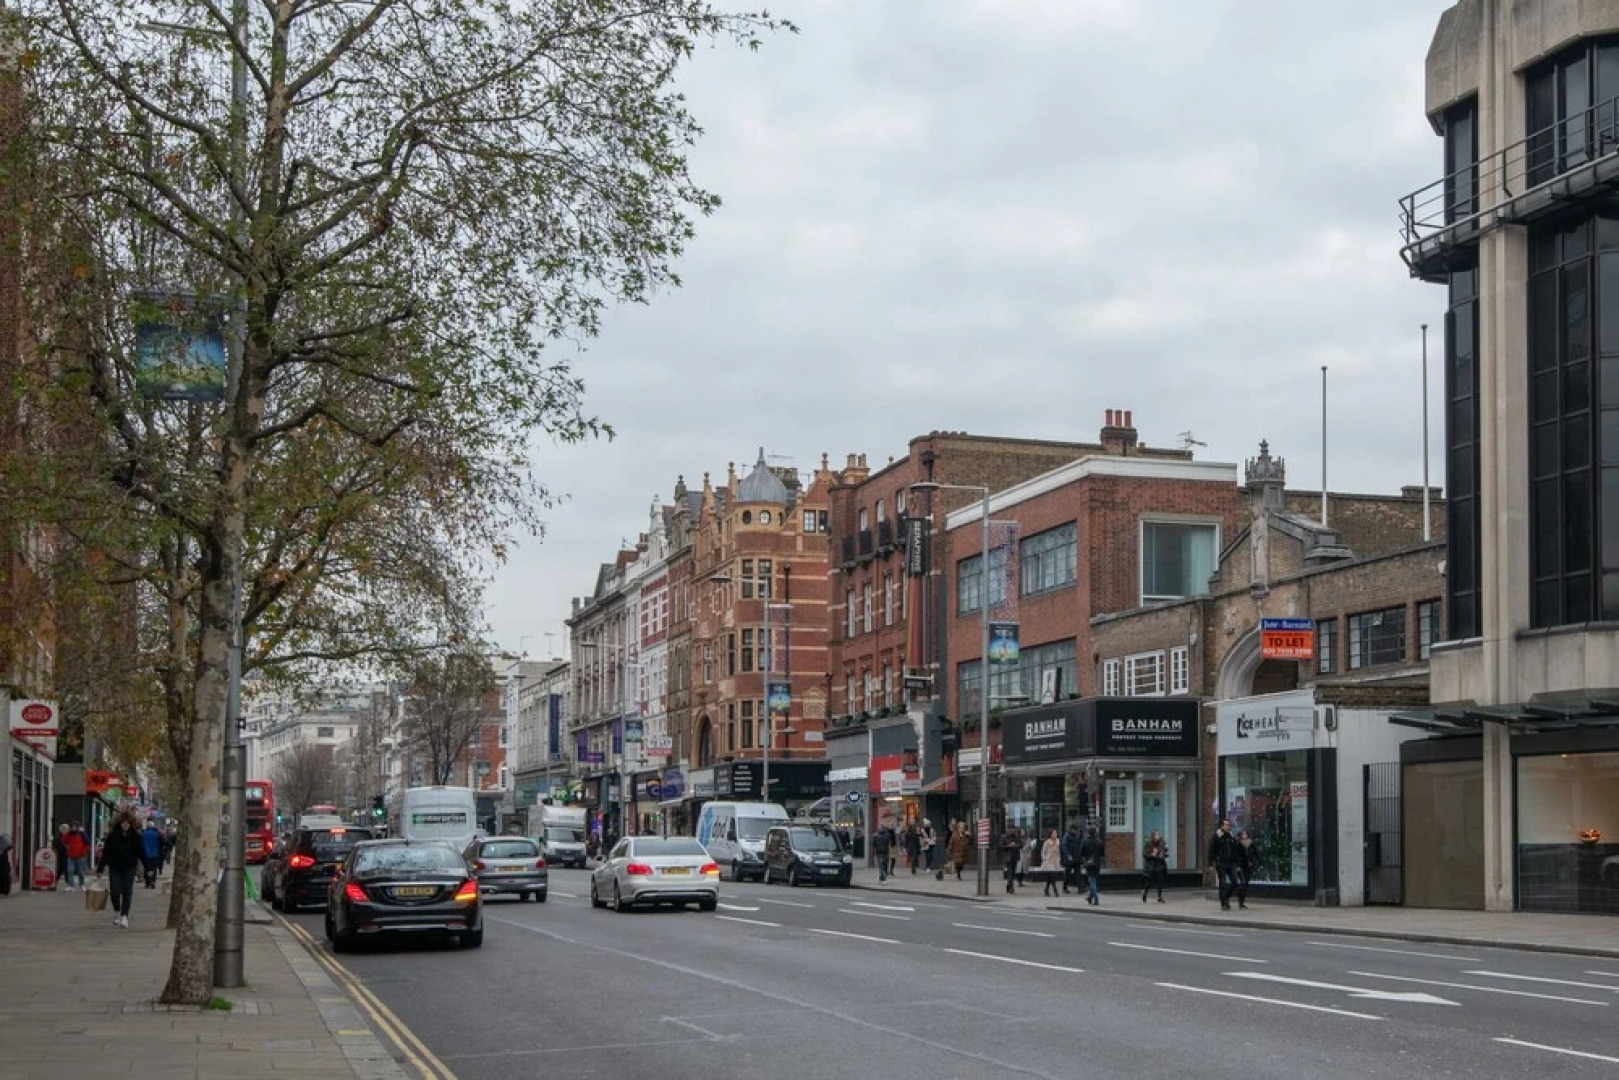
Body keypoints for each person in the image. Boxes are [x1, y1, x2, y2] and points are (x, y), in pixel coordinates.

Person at [97, 812, 143, 928]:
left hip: (129, 867)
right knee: (115, 891)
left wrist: (147, 869)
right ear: (120, 823)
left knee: (127, 891)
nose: (125, 825)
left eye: (128, 823)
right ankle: (117, 911)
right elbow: (106, 853)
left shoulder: (135, 836)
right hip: (115, 867)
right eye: (123, 823)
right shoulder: (112, 836)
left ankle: (124, 916)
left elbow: (141, 852)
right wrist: (100, 868)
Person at [1208, 819, 1242, 911]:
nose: (1228, 827)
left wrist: (1237, 863)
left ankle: (1226, 897)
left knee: (1234, 882)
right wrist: (1210, 863)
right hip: (1221, 862)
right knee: (1223, 883)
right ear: (1222, 826)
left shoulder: (1230, 836)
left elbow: (1235, 850)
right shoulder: (1217, 836)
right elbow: (1212, 850)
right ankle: (1224, 904)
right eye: (1226, 825)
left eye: (1229, 825)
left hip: (1230, 863)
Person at [1078, 825, 1105, 905]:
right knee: (1094, 880)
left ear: (1088, 833)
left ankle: (1096, 898)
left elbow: (1081, 853)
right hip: (1097, 863)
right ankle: (1090, 897)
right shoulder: (1099, 842)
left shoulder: (1085, 841)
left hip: (1088, 863)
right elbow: (1102, 853)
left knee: (1092, 881)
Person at [62, 823, 91, 892]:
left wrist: (83, 851)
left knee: (80, 872)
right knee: (70, 871)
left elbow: (87, 843)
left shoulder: (81, 835)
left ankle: (82, 885)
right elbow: (63, 841)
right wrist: (66, 846)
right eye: (72, 827)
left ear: (77, 828)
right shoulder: (68, 835)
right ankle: (71, 886)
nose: (73, 828)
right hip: (71, 856)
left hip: (80, 856)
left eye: (74, 827)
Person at [1142, 829, 1168, 903]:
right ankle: (1145, 893)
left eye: (1159, 834)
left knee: (1160, 881)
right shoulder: (1148, 844)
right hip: (1152, 865)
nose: (1158, 836)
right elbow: (1144, 854)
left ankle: (1159, 897)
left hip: (1160, 865)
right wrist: (1152, 855)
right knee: (1149, 882)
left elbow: (1164, 852)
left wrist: (1164, 854)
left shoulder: (1162, 843)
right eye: (1157, 835)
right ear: (1153, 836)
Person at [139, 819, 164, 888]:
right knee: (153, 868)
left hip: (146, 854)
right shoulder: (157, 834)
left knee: (147, 868)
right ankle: (152, 881)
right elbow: (161, 843)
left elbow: (140, 844)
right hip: (155, 854)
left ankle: (147, 882)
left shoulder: (143, 834)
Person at [1235, 829, 1255, 910]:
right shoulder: (1238, 844)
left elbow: (1255, 854)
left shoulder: (1251, 844)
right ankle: (1240, 902)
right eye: (1243, 834)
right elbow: (1236, 856)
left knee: (1245, 884)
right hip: (1240, 866)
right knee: (1242, 884)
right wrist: (1237, 865)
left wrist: (1253, 862)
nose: (1244, 835)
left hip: (1248, 866)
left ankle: (1242, 902)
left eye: (1245, 834)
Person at [1059, 824, 1082, 895]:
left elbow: (1079, 845)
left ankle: (1080, 888)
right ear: (1072, 830)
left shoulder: (1076, 836)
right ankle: (1065, 887)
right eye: (1075, 830)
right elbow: (1064, 847)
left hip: (1076, 858)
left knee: (1078, 873)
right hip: (1069, 859)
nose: (1076, 832)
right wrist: (1068, 855)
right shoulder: (1067, 836)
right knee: (1067, 874)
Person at [1040, 829, 1063, 897]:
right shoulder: (1047, 842)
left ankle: (1046, 889)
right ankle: (1055, 891)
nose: (1055, 834)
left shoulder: (1058, 842)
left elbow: (1058, 852)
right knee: (1052, 876)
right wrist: (1044, 859)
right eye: (1054, 833)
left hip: (1055, 861)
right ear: (1050, 834)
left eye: (1056, 833)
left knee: (1050, 878)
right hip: (1048, 861)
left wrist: (1059, 859)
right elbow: (1043, 852)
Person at [999, 827, 1022, 894]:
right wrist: (1009, 846)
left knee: (1013, 873)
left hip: (1015, 856)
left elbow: (1021, 845)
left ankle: (1009, 885)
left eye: (1013, 830)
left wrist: (1016, 845)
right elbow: (1001, 846)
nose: (1012, 831)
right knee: (1010, 872)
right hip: (1008, 857)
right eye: (1011, 830)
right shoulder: (1004, 837)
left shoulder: (1017, 837)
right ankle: (1011, 887)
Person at [53, 824, 71, 891]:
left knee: (66, 869)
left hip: (68, 855)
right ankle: (56, 880)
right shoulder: (59, 837)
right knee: (62, 868)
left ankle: (67, 883)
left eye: (66, 829)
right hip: (62, 855)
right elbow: (56, 845)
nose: (65, 830)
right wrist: (64, 848)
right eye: (63, 829)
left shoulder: (69, 836)